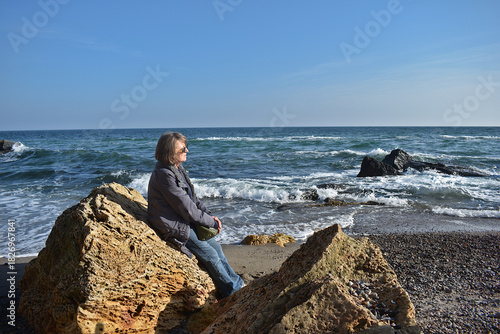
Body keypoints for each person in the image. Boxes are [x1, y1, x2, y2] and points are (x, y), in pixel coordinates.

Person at [147, 132, 244, 298]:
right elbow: (187, 209)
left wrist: (209, 216)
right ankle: (232, 291)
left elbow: (193, 199)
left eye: (185, 147)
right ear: (169, 153)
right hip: (173, 225)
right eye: (182, 149)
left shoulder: (177, 169)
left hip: (183, 220)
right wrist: (210, 223)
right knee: (210, 254)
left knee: (217, 248)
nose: (187, 151)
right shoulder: (164, 175)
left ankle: (237, 284)